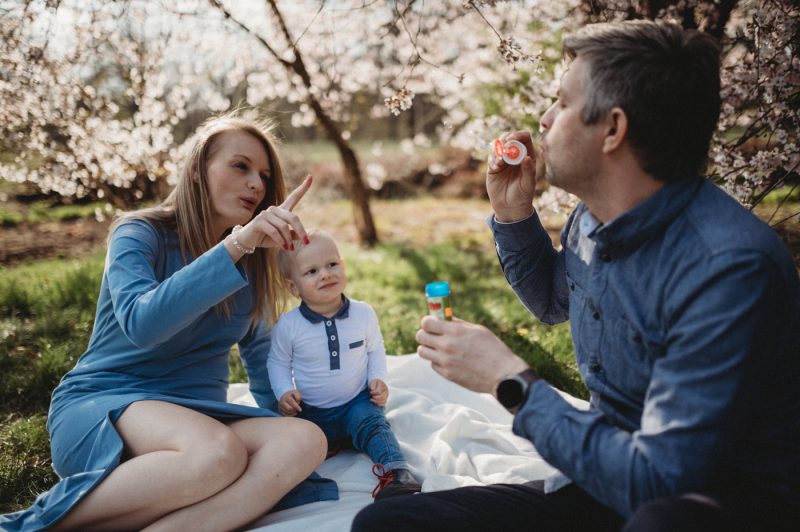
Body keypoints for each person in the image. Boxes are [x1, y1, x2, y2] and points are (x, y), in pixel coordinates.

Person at [353, 20, 800, 532]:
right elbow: (552, 303)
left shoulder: (727, 268)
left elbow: (660, 482)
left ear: (613, 129)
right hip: (601, 478)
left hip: (709, 503)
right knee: (388, 523)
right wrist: (514, 217)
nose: (543, 120)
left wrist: (510, 382)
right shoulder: (591, 219)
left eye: (562, 103)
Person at [0, 112, 339, 532]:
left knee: (305, 441)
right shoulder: (138, 233)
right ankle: (35, 527)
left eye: (264, 176)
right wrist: (237, 243)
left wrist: (328, 415)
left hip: (197, 420)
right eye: (240, 166)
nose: (257, 184)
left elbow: (265, 367)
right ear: (198, 170)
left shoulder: (253, 266)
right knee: (218, 455)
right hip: (106, 404)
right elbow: (143, 324)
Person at [269, 230, 422, 500]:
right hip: (312, 410)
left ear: (344, 266)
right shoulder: (289, 325)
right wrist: (284, 392)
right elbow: (278, 362)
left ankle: (397, 472)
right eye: (312, 271)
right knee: (293, 440)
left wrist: (378, 379)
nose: (325, 274)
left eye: (332, 265)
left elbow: (376, 350)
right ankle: (289, 485)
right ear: (293, 287)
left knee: (374, 425)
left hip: (355, 402)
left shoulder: (363, 313)